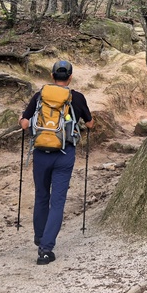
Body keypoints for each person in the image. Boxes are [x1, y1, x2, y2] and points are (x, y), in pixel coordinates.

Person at [20, 59, 93, 265]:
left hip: (41, 154)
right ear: (70, 77)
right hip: (64, 155)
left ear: (52, 76)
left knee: (41, 196)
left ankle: (39, 235)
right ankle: (45, 250)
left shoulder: (40, 95)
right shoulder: (77, 98)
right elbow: (90, 123)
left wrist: (23, 120)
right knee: (57, 202)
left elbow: (24, 124)